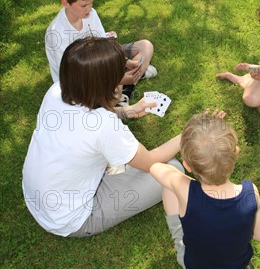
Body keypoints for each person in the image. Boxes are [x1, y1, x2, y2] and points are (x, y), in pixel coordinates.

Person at [22, 37, 182, 238]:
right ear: (110, 85)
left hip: (39, 200)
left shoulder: (57, 91)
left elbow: (83, 120)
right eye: (119, 75)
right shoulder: (104, 125)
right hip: (72, 219)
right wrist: (186, 135)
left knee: (117, 156)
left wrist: (128, 111)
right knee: (172, 169)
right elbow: (149, 162)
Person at [150, 111, 260, 269]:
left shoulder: (185, 189)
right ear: (236, 153)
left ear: (188, 166)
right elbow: (259, 235)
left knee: (169, 187)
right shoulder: (251, 192)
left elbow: (155, 167)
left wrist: (180, 174)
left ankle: (180, 239)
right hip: (239, 264)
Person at [45, 0, 157, 91]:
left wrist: (124, 61)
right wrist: (118, 78)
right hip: (81, 78)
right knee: (112, 88)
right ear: (65, 3)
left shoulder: (90, 13)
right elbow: (72, 75)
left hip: (100, 61)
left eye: (91, 3)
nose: (89, 8)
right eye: (84, 5)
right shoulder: (56, 33)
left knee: (145, 46)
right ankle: (125, 85)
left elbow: (104, 44)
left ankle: (124, 83)